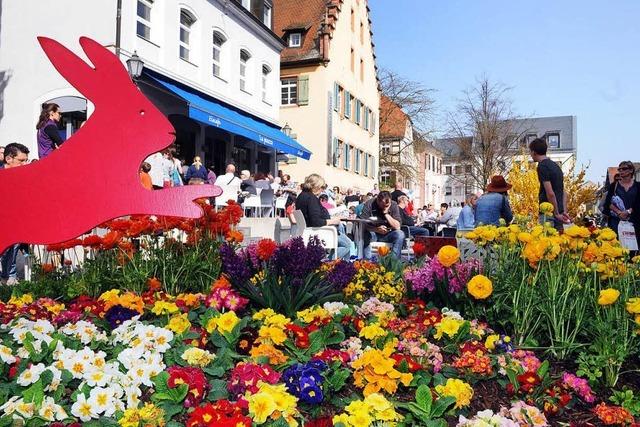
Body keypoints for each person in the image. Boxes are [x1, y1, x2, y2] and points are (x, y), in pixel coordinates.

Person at [295, 174, 353, 260]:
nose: (323, 190)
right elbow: (316, 221)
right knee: (347, 244)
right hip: (318, 231)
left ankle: (332, 263)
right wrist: (333, 221)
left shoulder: (301, 196)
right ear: (315, 186)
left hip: (308, 230)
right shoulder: (311, 198)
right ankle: (329, 263)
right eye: (322, 187)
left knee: (342, 237)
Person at [0, 143, 30, 285]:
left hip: (14, 221)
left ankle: (9, 277)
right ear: (8, 159)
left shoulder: (22, 178)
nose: (25, 164)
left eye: (26, 160)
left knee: (14, 246)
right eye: (21, 161)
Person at [529, 138, 570, 230]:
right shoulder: (556, 166)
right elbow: (563, 191)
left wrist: (556, 213)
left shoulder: (542, 167)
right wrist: (563, 211)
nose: (530, 155)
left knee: (547, 241)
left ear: (534, 152)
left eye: (530, 152)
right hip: (560, 211)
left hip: (548, 212)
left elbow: (550, 193)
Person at [603, 161, 640, 245]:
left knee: (634, 248)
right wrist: (619, 212)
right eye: (619, 169)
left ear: (631, 170)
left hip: (634, 221)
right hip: (616, 221)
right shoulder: (614, 185)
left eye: (624, 169)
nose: (621, 171)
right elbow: (608, 202)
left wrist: (628, 211)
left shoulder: (638, 186)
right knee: (617, 246)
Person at [359, 191, 405, 258]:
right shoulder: (369, 204)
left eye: (387, 205)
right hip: (373, 233)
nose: (385, 206)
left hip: (389, 233)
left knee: (400, 234)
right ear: (378, 200)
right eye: (383, 205)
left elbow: (397, 227)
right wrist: (376, 229)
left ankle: (393, 262)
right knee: (366, 234)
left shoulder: (393, 204)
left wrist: (386, 213)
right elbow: (362, 223)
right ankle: (367, 262)